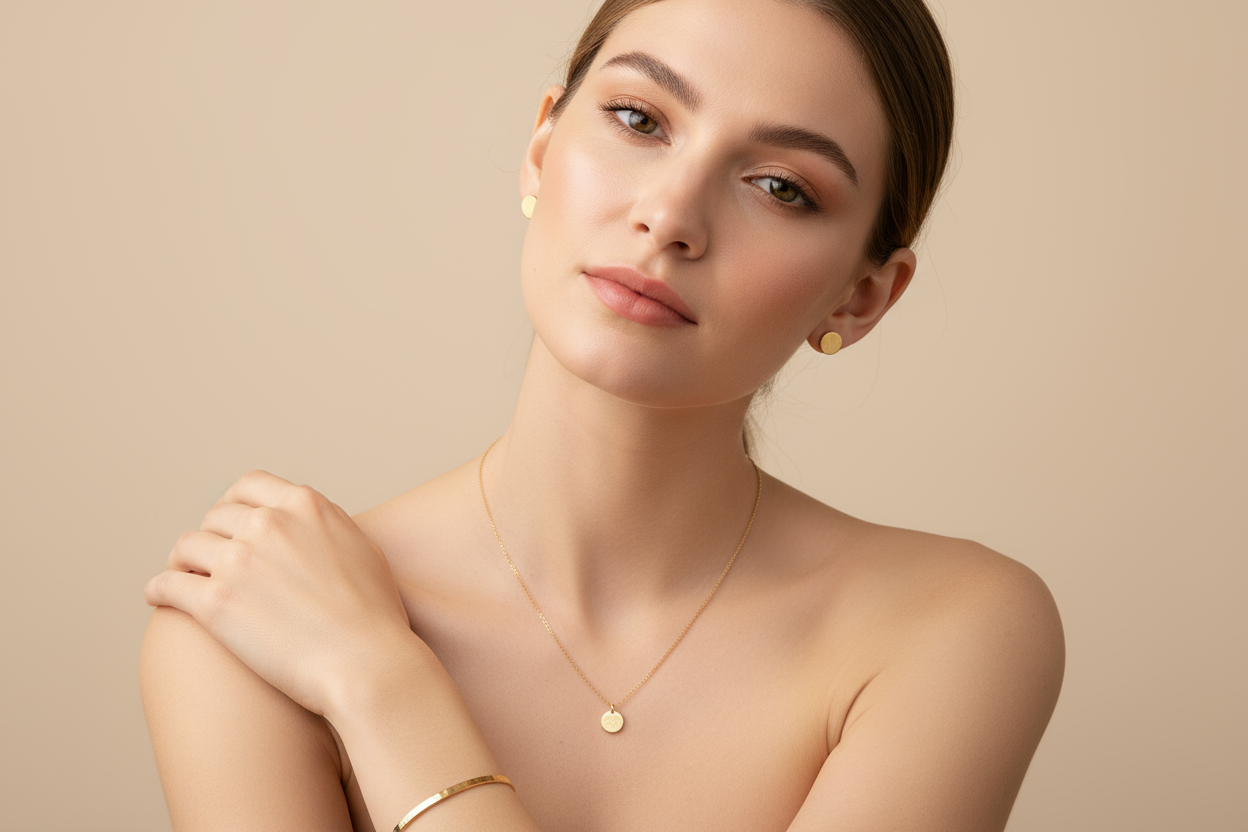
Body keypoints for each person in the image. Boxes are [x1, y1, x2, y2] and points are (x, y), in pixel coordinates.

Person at [140, 0, 1065, 829]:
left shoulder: (951, 626)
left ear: (861, 297)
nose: (669, 215)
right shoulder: (252, 619)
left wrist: (384, 687)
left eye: (781, 186)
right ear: (541, 148)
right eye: (639, 119)